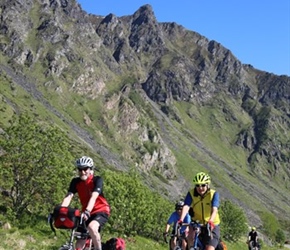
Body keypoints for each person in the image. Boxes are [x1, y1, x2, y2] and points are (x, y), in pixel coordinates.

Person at [60, 156, 110, 250]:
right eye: (80, 169)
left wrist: (87, 210)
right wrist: (60, 210)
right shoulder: (75, 182)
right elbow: (69, 196)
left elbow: (94, 196)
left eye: (85, 169)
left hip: (101, 210)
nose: (82, 172)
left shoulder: (97, 180)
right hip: (85, 213)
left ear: (90, 169)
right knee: (79, 245)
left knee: (92, 227)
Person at [178, 172, 220, 250]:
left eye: (203, 185)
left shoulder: (213, 194)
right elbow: (186, 206)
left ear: (207, 185)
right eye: (197, 185)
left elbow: (214, 209)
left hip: (212, 224)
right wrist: (181, 219)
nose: (200, 188)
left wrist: (211, 221)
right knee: (190, 240)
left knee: (209, 248)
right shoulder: (191, 193)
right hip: (196, 223)